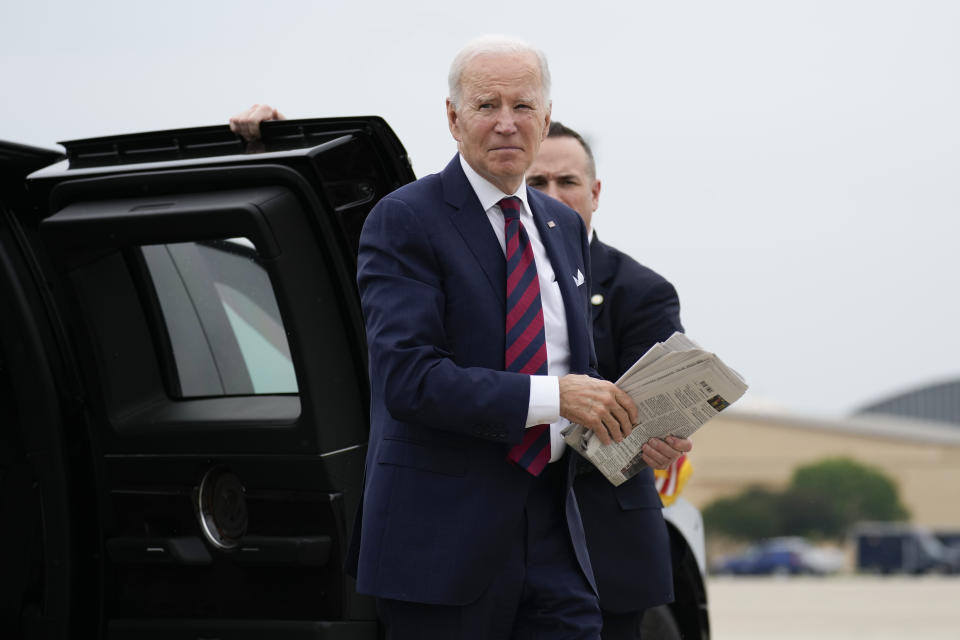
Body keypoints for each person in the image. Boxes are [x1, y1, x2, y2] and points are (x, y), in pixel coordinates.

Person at [228, 36, 688, 639]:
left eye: (523, 107)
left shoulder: (563, 227)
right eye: (485, 106)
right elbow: (410, 380)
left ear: (545, 118)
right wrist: (559, 397)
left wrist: (635, 428)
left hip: (558, 533)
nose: (506, 123)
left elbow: (586, 372)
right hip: (442, 541)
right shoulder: (403, 219)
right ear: (452, 117)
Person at [526, 122, 690, 640]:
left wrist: (660, 436)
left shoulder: (641, 291)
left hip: (604, 537)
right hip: (497, 538)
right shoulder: (488, 279)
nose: (553, 195)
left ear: (595, 193)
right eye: (537, 182)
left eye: (567, 181)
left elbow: (653, 405)